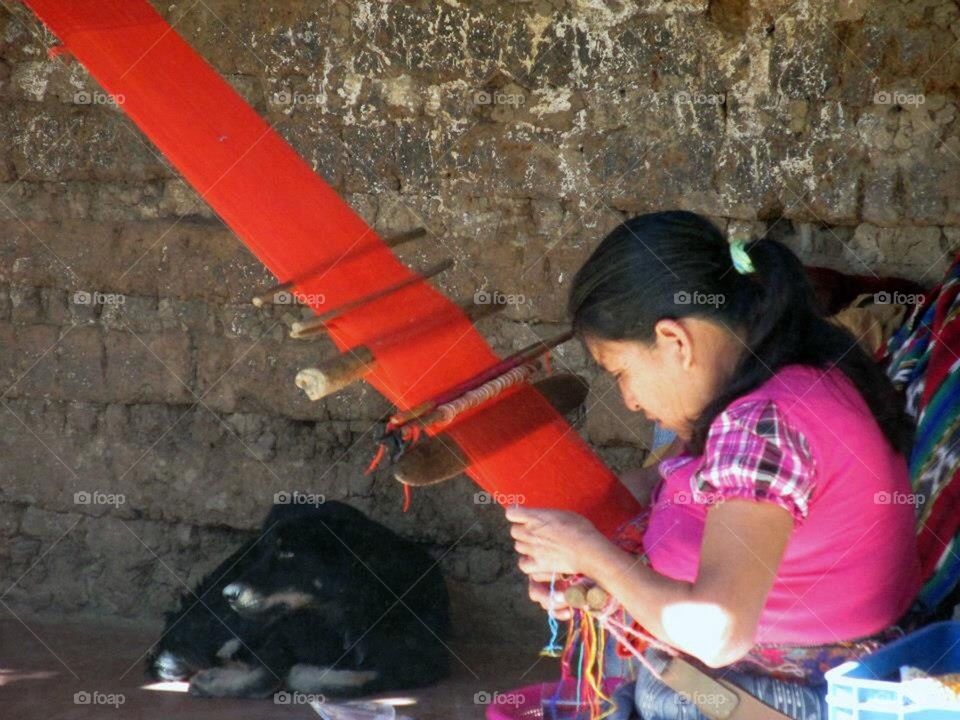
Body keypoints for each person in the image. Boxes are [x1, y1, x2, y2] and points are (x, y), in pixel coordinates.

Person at [505, 211, 921, 719]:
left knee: (649, 692)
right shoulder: (802, 374)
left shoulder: (758, 424)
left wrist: (590, 554)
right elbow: (685, 484)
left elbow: (717, 632)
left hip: (789, 700)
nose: (630, 401)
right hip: (850, 671)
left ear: (675, 341)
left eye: (622, 372)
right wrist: (589, 534)